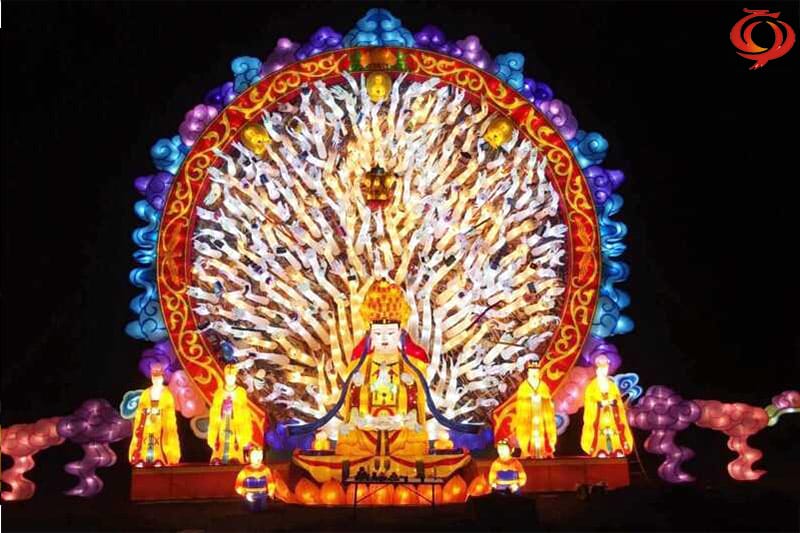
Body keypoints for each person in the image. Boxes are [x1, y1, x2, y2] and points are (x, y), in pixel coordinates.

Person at [334, 280, 430, 458]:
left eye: (390, 333)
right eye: (378, 333)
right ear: (370, 333)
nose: (384, 338)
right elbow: (349, 405)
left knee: (416, 443)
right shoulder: (358, 365)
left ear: (400, 332)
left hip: (401, 428)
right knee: (349, 442)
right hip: (365, 428)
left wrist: (412, 383)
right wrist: (357, 411)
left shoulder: (413, 364)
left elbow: (418, 402)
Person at [580, 355, 634, 458]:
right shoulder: (592, 386)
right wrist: (599, 403)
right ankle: (600, 449)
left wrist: (613, 403)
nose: (603, 370)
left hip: (612, 416)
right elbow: (590, 401)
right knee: (600, 433)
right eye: (601, 367)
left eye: (605, 367)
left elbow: (618, 400)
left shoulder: (612, 385)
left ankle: (617, 448)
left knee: (615, 433)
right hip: (600, 417)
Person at [129, 364, 181, 467]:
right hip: (148, 424)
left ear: (162, 377)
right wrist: (147, 412)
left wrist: (159, 412)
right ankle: (144, 458)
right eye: (154, 377)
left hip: (160, 423)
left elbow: (169, 409)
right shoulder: (146, 393)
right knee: (146, 440)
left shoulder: (167, 393)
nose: (156, 379)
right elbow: (141, 408)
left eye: (158, 377)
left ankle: (160, 458)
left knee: (159, 441)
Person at [208, 364, 253, 465]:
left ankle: (234, 460)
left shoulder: (240, 392)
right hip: (222, 424)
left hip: (236, 425)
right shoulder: (219, 393)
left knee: (234, 446)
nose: (230, 379)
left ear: (235, 377)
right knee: (221, 445)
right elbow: (214, 413)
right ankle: (219, 460)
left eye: (232, 377)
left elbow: (245, 412)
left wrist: (233, 405)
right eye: (228, 377)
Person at [514, 360, 557, 459]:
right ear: (528, 373)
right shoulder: (524, 387)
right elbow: (520, 401)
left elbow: (548, 399)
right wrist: (529, 399)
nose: (534, 374)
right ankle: (527, 451)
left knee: (544, 433)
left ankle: (545, 451)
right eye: (532, 372)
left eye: (536, 372)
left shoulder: (543, 385)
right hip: (529, 417)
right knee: (529, 435)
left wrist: (543, 399)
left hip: (541, 415)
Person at [234, 446, 275, 512]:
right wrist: (245, 493)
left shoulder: (266, 470)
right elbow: (238, 486)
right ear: (248, 457)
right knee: (250, 509)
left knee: (263, 510)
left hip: (263, 496)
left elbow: (271, 483)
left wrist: (270, 492)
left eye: (260, 455)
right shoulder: (244, 471)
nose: (258, 458)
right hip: (249, 496)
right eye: (255, 456)